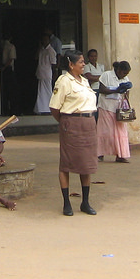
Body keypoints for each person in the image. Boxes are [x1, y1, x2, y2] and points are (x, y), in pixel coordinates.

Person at [49, 49, 99, 215]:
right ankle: (67, 203)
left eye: (84, 62)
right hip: (72, 124)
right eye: (81, 62)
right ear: (71, 64)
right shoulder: (64, 81)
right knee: (67, 164)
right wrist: (66, 122)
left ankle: (85, 202)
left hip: (88, 125)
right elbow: (55, 107)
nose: (84, 64)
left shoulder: (84, 81)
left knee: (86, 164)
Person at [96, 60, 133, 162]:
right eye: (124, 73)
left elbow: (127, 94)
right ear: (119, 70)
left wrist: (125, 101)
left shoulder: (125, 79)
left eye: (127, 74)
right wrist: (116, 90)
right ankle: (100, 153)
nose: (125, 75)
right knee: (105, 131)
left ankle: (120, 155)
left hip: (119, 109)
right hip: (106, 107)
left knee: (121, 132)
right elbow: (102, 90)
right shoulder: (106, 75)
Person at [34, 31, 58, 114]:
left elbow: (53, 64)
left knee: (47, 91)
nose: (44, 41)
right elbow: (36, 58)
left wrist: (54, 73)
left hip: (47, 73)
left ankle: (48, 108)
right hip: (41, 73)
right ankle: (41, 108)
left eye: (46, 40)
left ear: (49, 41)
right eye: (43, 40)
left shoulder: (51, 51)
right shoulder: (42, 50)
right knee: (41, 91)